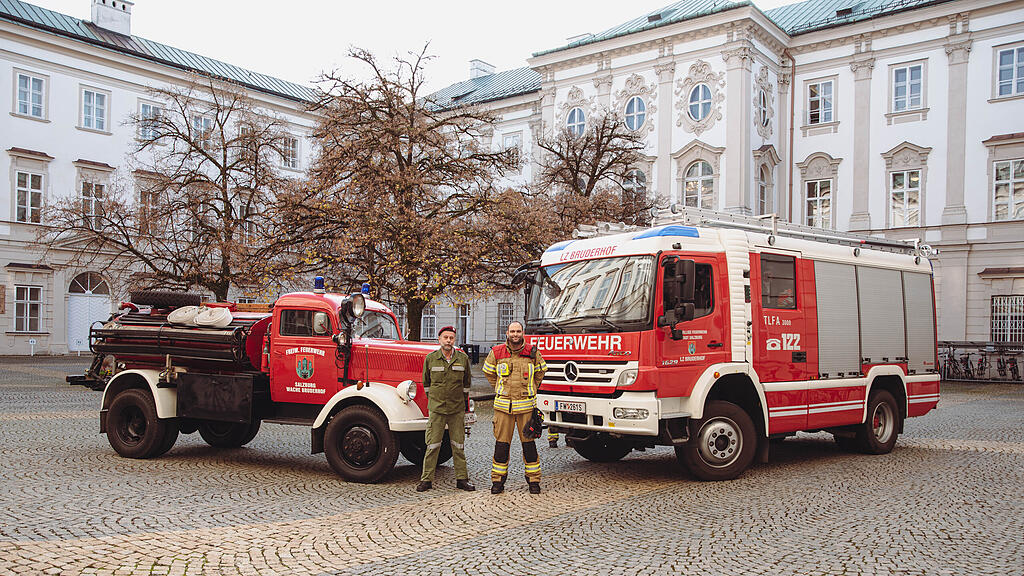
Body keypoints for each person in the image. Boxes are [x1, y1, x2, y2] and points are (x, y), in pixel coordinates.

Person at [482, 321, 547, 494]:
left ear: (523, 333)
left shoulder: (533, 353)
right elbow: (489, 372)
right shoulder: (496, 352)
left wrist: (532, 388)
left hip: (526, 408)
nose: (515, 334)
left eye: (518, 331)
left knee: (529, 446)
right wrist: (499, 388)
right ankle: (498, 482)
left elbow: (541, 372)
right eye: (512, 331)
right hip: (503, 408)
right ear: (507, 333)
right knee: (501, 446)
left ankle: (534, 481)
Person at [416, 325, 475, 492]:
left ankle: (462, 479)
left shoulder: (462, 359)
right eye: (445, 337)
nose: (448, 340)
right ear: (439, 339)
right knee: (433, 445)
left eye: (451, 338)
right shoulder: (431, 358)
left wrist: (462, 404)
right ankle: (426, 480)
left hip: (456, 409)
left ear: (454, 340)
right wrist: (435, 400)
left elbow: (466, 385)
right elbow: (426, 384)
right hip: (437, 409)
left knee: (458, 445)